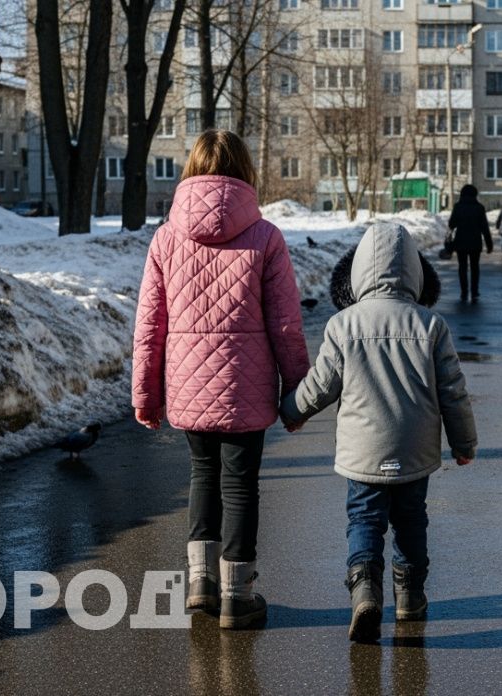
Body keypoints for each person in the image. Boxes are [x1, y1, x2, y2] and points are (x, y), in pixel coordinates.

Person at [132, 129, 310, 630]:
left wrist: (146, 394)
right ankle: (237, 597)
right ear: (245, 170)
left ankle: (199, 584)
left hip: (188, 389)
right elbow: (286, 325)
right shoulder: (266, 237)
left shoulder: (166, 237)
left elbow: (150, 325)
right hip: (246, 392)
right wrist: (297, 397)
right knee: (241, 486)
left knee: (202, 476)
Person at [279, 222, 479, 644]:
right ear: (415, 273)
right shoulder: (431, 326)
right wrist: (464, 444)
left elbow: (320, 386)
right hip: (414, 450)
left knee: (364, 519)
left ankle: (365, 590)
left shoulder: (343, 325)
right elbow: (453, 392)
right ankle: (409, 598)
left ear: (358, 274)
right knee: (411, 521)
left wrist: (292, 411)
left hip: (363, 451)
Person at [445, 184, 493, 303]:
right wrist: (489, 244)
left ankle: (464, 291)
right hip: (475, 243)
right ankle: (475, 291)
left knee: (462, 267)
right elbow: (484, 228)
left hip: (460, 242)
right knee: (475, 267)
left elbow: (451, 224)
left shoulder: (458, 207)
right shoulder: (479, 208)